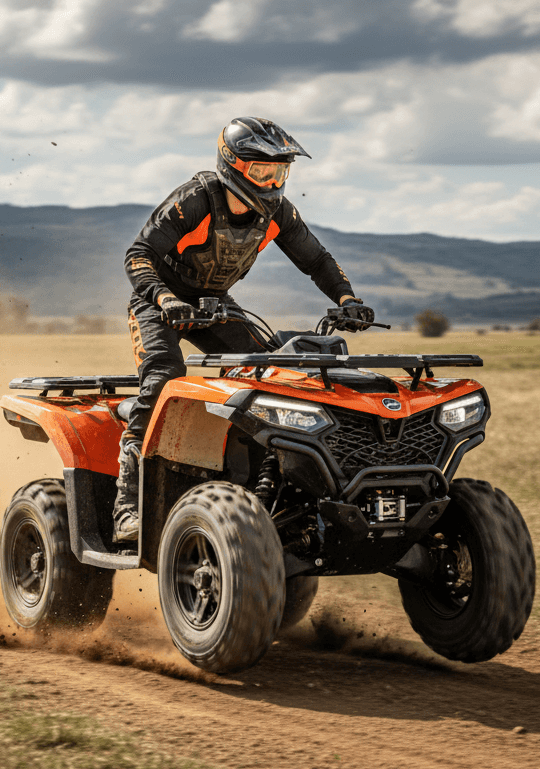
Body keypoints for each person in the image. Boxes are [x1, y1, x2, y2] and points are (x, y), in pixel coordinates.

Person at [113, 116, 374, 542]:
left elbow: (317, 260)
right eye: (262, 172)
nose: (272, 183)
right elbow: (138, 254)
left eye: (280, 173)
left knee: (272, 374)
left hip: (215, 303)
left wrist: (347, 300)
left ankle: (260, 492)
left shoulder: (279, 213)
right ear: (232, 164)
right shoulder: (194, 200)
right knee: (162, 380)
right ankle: (127, 507)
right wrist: (167, 300)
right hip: (158, 301)